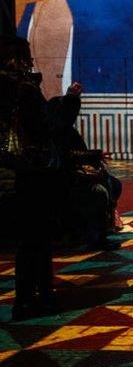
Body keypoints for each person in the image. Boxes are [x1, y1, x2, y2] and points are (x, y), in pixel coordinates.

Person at [1, 36, 69, 321]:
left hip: (9, 171)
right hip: (33, 173)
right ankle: (37, 296)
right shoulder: (25, 90)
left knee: (26, 241)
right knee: (37, 239)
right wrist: (70, 104)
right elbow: (49, 127)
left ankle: (27, 298)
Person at [49, 84, 123, 251]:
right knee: (99, 192)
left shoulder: (67, 130)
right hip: (64, 179)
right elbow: (66, 155)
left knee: (113, 184)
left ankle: (98, 227)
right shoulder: (54, 131)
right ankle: (96, 238)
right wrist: (94, 156)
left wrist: (94, 158)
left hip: (74, 175)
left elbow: (76, 152)